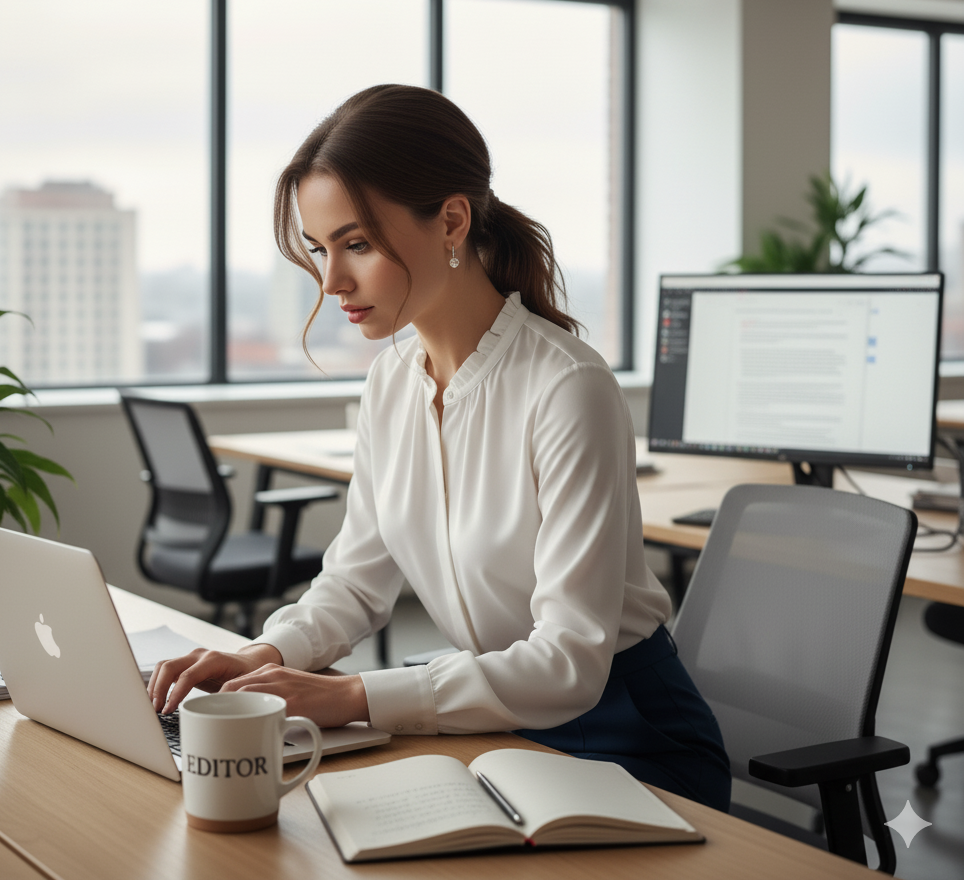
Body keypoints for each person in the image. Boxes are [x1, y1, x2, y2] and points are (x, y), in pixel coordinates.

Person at [148, 84, 730, 811]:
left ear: (452, 220)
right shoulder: (391, 383)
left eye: (356, 244)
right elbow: (356, 583)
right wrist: (264, 656)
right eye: (319, 248)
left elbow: (568, 662)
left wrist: (351, 695)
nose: (331, 282)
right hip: (502, 720)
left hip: (628, 734)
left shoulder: (567, 386)